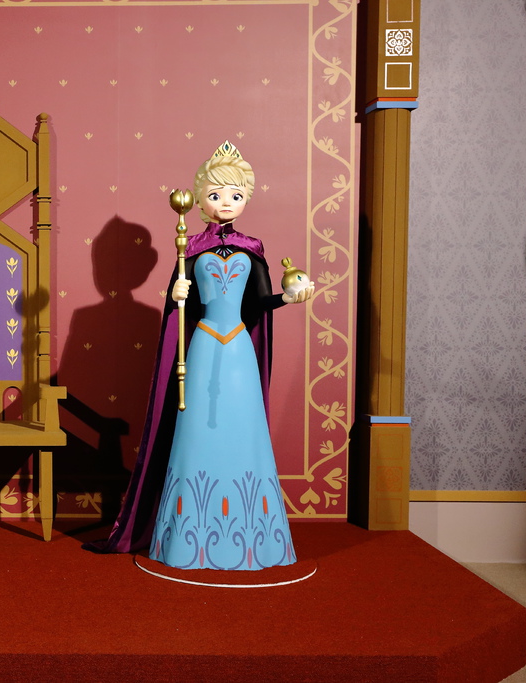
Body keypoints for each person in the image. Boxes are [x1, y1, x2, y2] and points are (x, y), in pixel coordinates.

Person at [84, 142, 313, 571]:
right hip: (204, 346)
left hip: (239, 351)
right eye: (216, 194)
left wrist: (288, 297)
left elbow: (259, 304)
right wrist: (175, 294)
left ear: (246, 199)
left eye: (236, 195)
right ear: (200, 198)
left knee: (243, 430)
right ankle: (185, 541)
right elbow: (178, 311)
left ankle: (255, 541)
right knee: (196, 435)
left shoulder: (252, 249)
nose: (226, 202)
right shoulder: (189, 249)